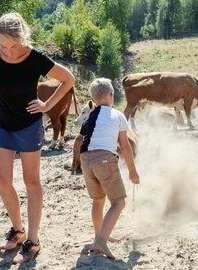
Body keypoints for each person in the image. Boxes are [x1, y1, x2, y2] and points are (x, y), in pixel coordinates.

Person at [0, 12, 75, 261]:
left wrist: (47, 104)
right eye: (2, 45)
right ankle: (17, 231)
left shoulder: (35, 58)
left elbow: (68, 80)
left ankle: (33, 240)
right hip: (3, 125)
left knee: (32, 183)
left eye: (12, 45)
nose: (7, 51)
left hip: (29, 126)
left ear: (22, 38)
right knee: (2, 180)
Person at [79, 78, 140, 259]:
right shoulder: (118, 115)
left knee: (98, 200)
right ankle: (100, 242)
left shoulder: (89, 115)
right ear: (112, 95)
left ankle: (100, 235)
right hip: (103, 159)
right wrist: (133, 171)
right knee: (119, 202)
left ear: (93, 98)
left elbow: (82, 139)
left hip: (85, 159)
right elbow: (126, 146)